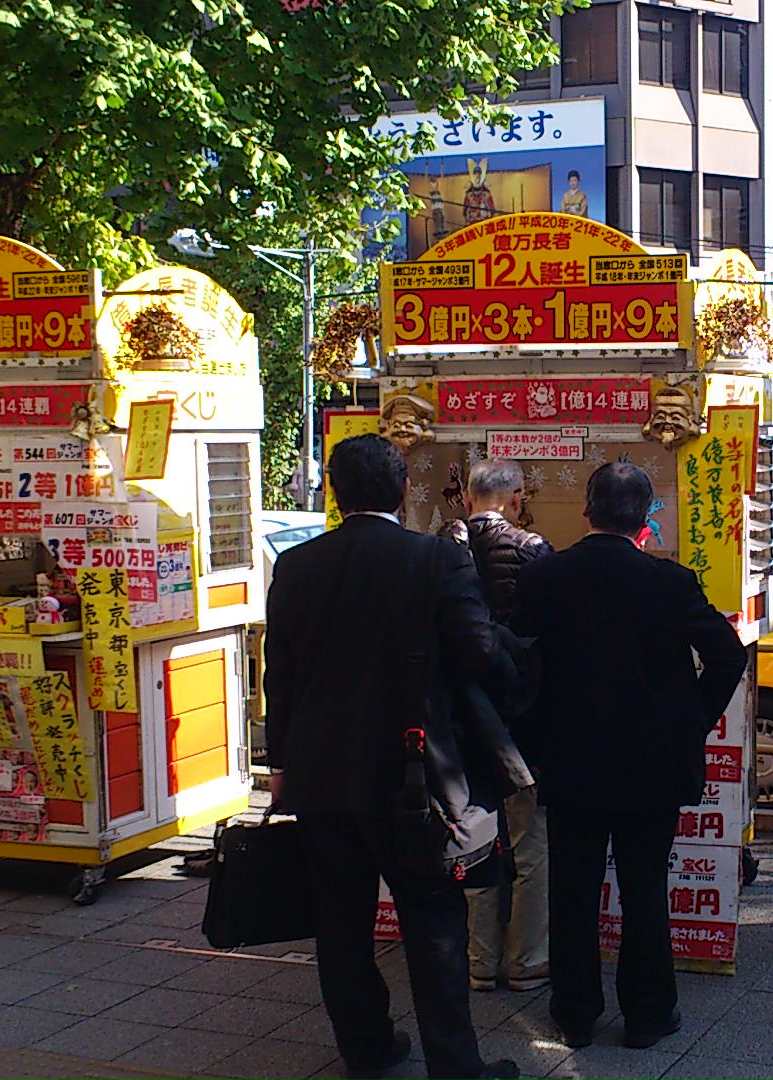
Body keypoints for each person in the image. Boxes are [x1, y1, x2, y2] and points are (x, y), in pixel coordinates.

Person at [264, 434, 518, 1080]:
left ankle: (366, 1049)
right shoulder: (435, 559)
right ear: (403, 490)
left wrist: (279, 766)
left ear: (334, 494)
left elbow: (279, 675)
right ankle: (455, 1066)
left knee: (340, 924)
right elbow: (479, 653)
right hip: (414, 775)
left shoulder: (295, 567)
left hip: (320, 775)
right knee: (433, 922)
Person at [514, 463, 746, 1051]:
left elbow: (519, 666)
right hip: (651, 763)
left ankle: (574, 1014)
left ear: (587, 510)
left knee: (573, 889)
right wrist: (691, 721)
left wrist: (535, 736)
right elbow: (728, 655)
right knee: (645, 888)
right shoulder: (670, 582)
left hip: (570, 760)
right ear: (645, 519)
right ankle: (647, 1014)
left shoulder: (545, 577)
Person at [443, 459, 553, 993]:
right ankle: (529, 960)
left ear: (468, 499)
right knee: (531, 844)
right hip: (523, 722)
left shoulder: (443, 553)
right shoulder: (535, 551)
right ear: (516, 497)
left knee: (476, 837)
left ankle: (479, 961)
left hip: (464, 722)